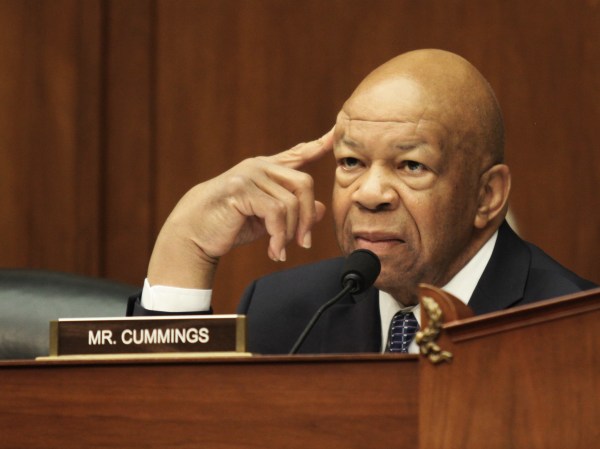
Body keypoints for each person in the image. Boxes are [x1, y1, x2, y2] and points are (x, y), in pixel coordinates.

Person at [127, 49, 596, 354]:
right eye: (350, 162)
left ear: (486, 196)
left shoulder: (575, 332)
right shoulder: (286, 314)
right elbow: (175, 430)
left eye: (411, 166)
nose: (369, 194)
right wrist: (185, 247)